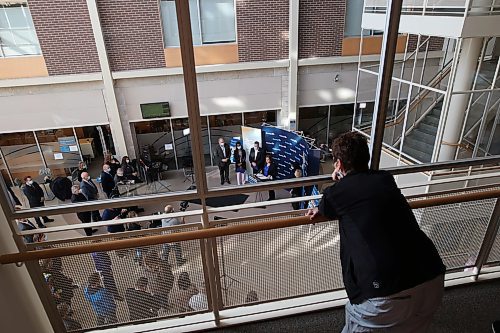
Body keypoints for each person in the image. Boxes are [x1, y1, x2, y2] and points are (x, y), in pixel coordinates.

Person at [307, 132, 445, 332]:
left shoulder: (336, 194)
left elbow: (328, 208)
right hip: (431, 277)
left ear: (338, 164)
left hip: (387, 292)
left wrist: (338, 180)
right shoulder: (384, 179)